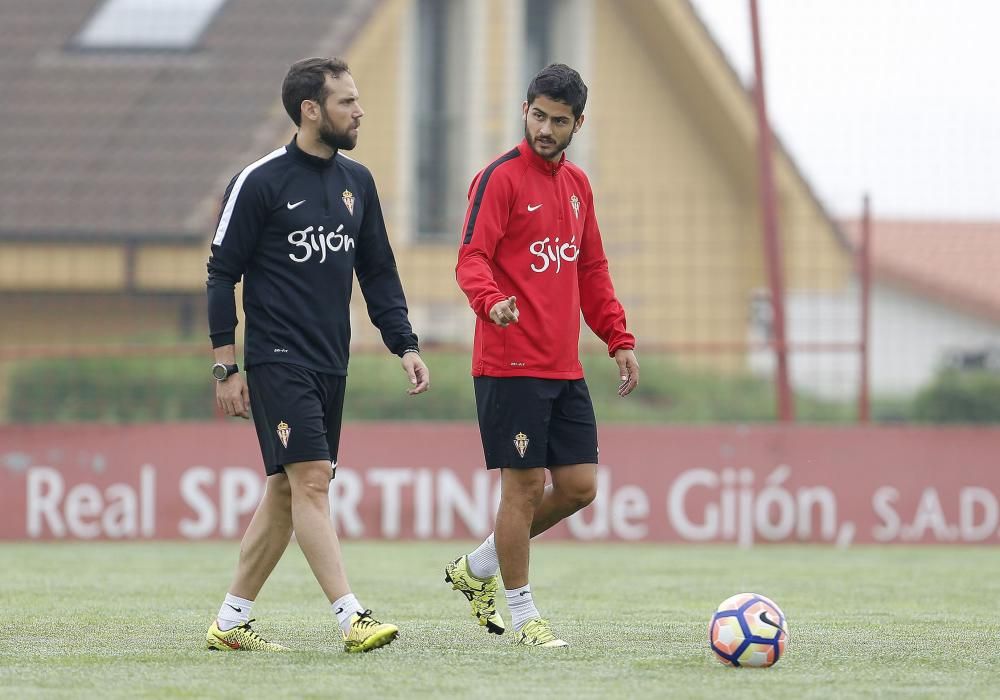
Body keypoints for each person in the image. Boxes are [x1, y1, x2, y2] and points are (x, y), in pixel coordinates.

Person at [204, 57, 429, 653]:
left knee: (284, 490)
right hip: (277, 358)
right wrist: (227, 365)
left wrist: (403, 343)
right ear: (311, 110)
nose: (359, 111)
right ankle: (351, 616)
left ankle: (230, 621)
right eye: (346, 101)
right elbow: (220, 274)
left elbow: (379, 272)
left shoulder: (359, 183)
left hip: (333, 360)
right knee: (311, 482)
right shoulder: (260, 180)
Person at [447, 64, 638, 647]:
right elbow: (470, 257)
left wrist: (618, 337)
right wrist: (491, 301)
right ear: (524, 110)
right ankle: (524, 616)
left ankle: (478, 566)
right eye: (538, 115)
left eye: (559, 120)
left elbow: (592, 269)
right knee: (523, 489)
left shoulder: (578, 186)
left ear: (578, 123)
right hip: (509, 365)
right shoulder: (499, 179)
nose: (546, 129)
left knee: (581, 487)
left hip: (564, 366)